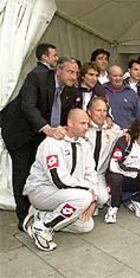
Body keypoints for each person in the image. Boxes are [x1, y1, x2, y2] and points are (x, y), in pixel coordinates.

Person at [2, 57, 79, 230]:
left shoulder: (71, 92)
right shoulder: (37, 77)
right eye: (70, 72)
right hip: (19, 131)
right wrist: (48, 129)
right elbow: (28, 107)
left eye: (76, 73)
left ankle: (39, 209)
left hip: (41, 136)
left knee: (38, 172)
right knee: (22, 174)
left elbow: (67, 116)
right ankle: (23, 218)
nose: (74, 77)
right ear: (58, 69)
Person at [22, 109, 97, 252]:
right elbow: (58, 180)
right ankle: (42, 228)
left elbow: (90, 173)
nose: (86, 127)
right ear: (70, 123)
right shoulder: (52, 143)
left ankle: (40, 216)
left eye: (88, 123)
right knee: (83, 198)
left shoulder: (84, 144)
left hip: (65, 193)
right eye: (82, 123)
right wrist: (88, 191)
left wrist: (93, 198)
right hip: (41, 191)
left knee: (86, 225)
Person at [85, 97, 124, 211]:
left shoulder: (113, 129)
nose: (102, 114)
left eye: (104, 111)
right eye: (98, 110)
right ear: (89, 112)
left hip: (99, 175)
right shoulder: (83, 128)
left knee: (102, 199)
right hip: (82, 174)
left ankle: (92, 205)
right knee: (84, 198)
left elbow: (129, 133)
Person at [103, 65, 140, 129]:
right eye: (115, 76)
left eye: (120, 76)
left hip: (128, 133)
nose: (118, 78)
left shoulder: (131, 93)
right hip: (107, 132)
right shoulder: (102, 91)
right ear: (108, 77)